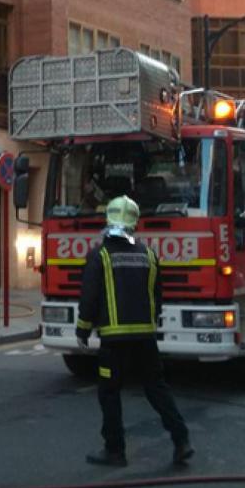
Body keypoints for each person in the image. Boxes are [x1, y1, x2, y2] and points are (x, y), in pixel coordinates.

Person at [75, 195, 193, 468]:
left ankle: (115, 450)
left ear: (109, 221)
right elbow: (158, 296)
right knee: (156, 389)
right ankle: (182, 440)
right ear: (134, 223)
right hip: (145, 339)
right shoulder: (148, 255)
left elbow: (89, 299)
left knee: (110, 392)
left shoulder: (100, 256)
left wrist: (82, 330)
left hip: (114, 342)